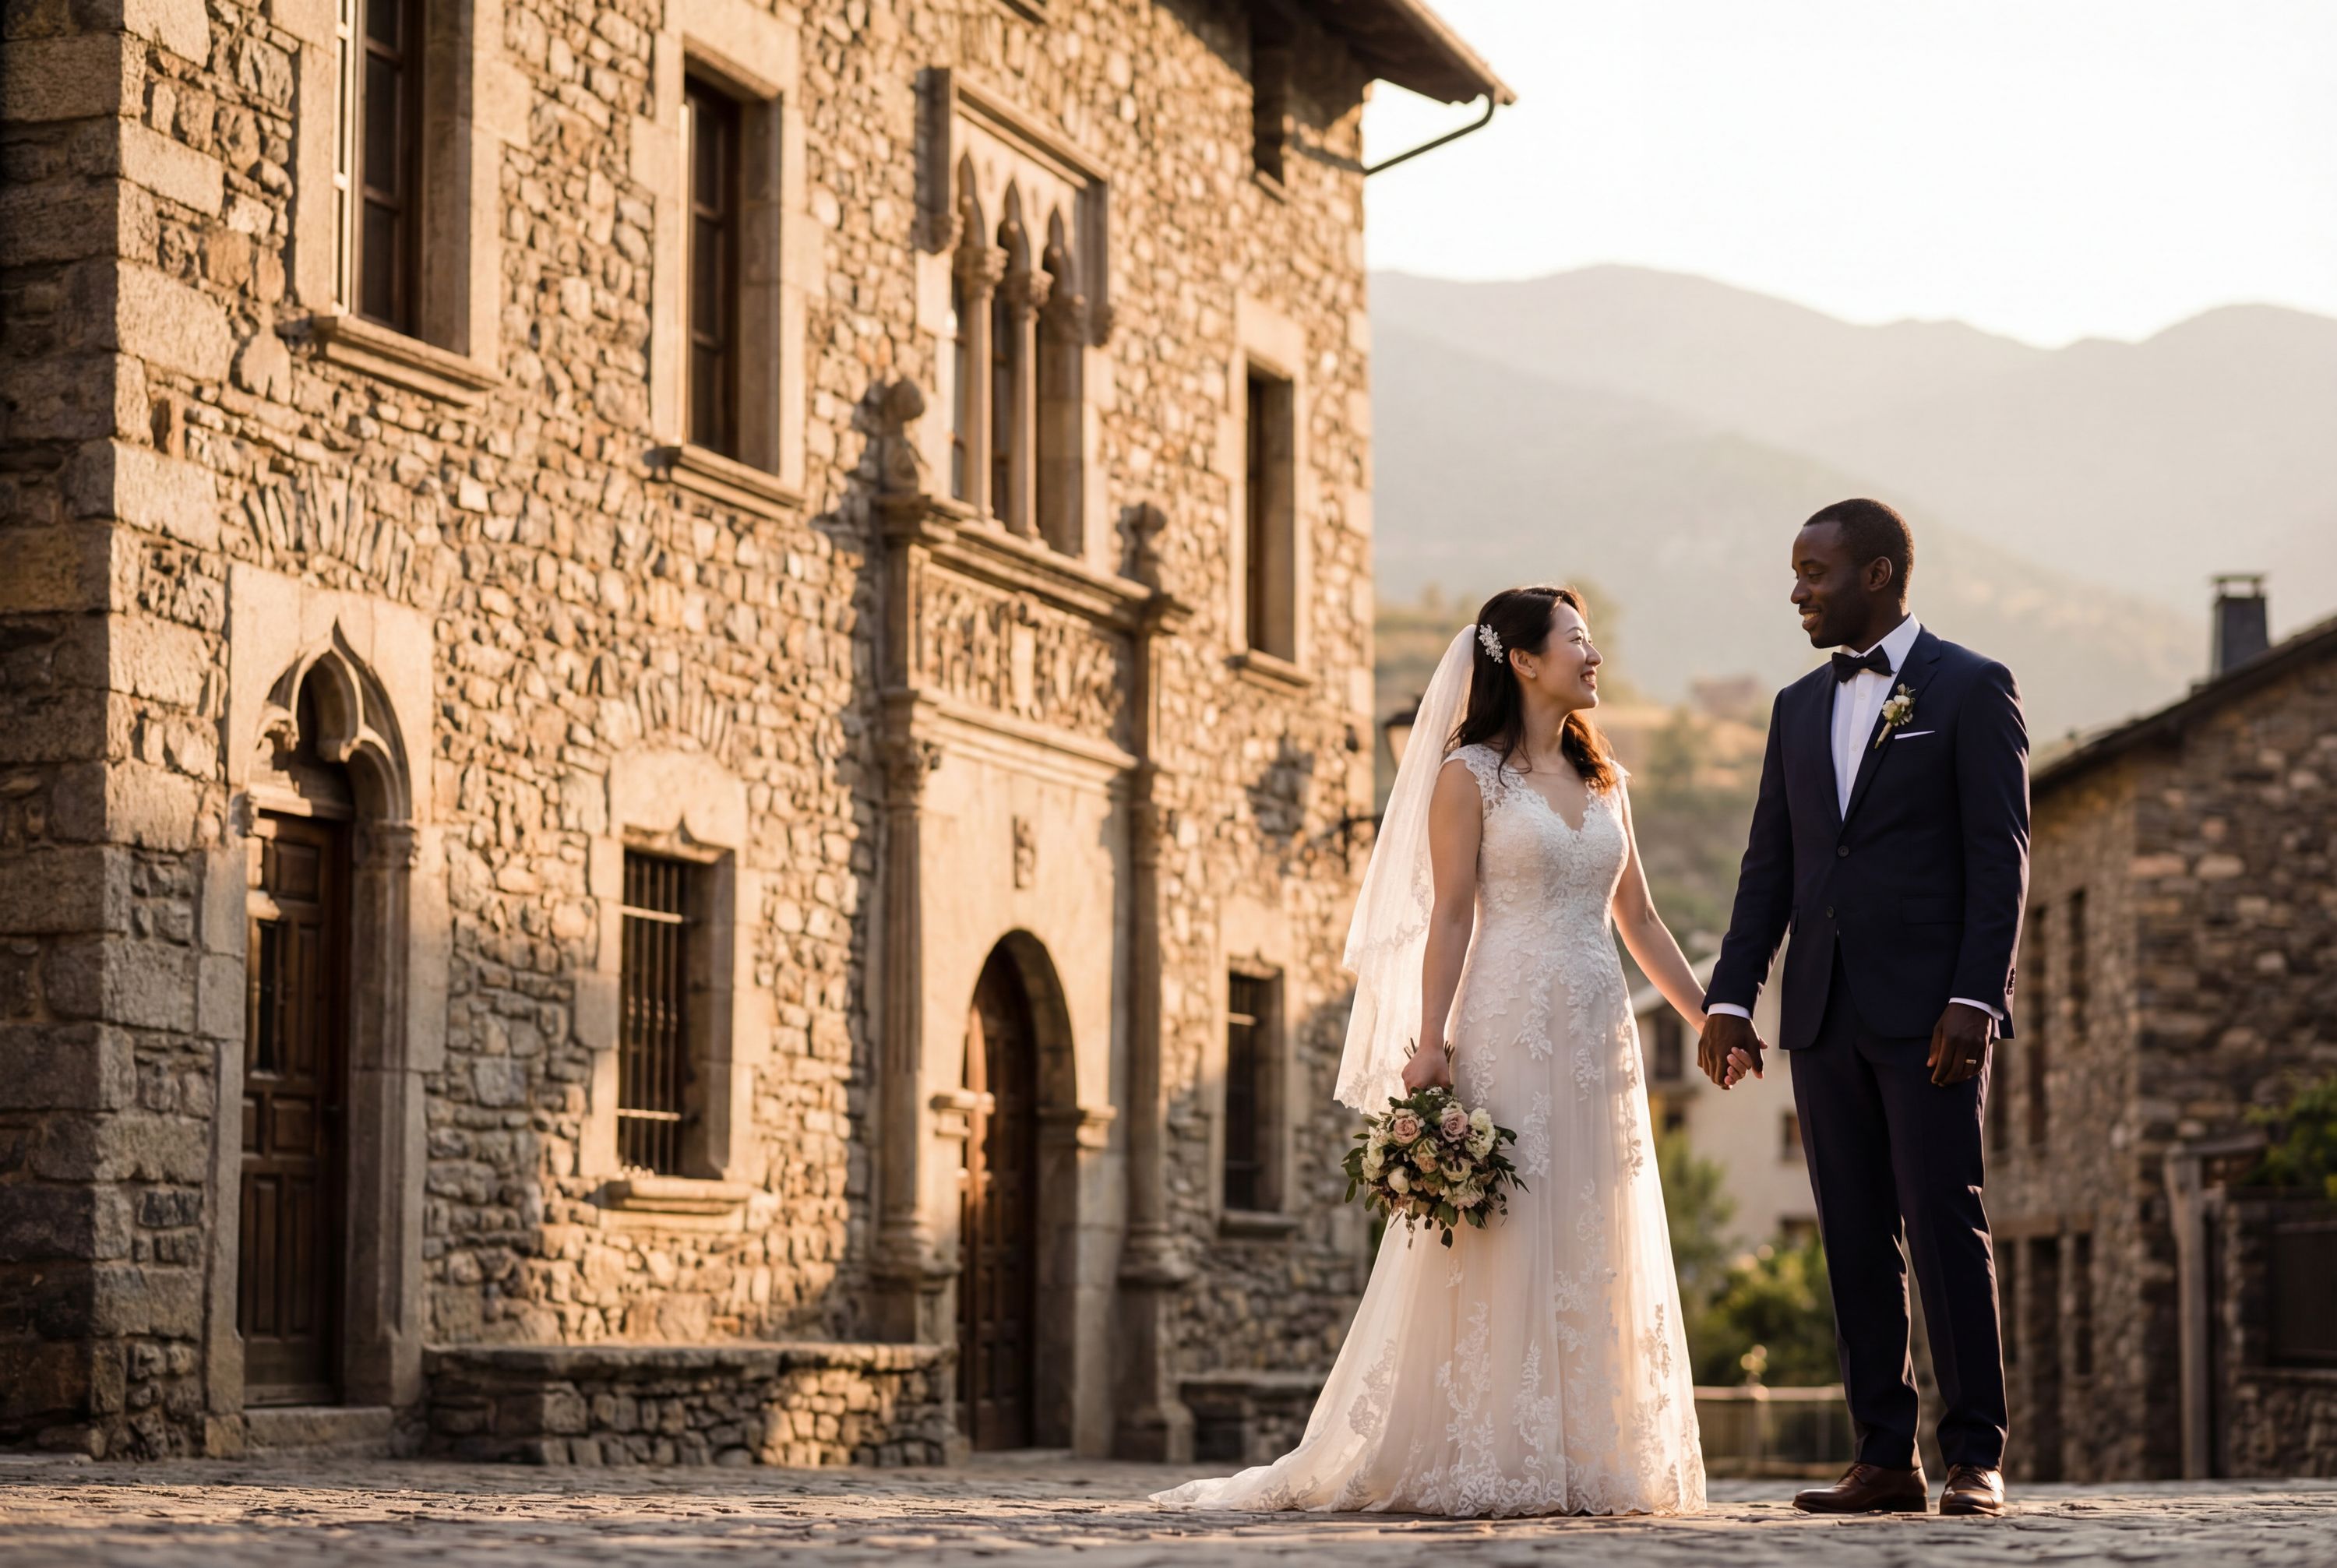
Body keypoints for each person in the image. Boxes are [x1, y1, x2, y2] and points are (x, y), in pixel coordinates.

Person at [1153, 585, 1708, 1517]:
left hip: (1599, 1030)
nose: (1595, 655)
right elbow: (1450, 914)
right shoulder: (1468, 777)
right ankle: (1484, 1447)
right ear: (1525, 661)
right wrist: (1430, 1042)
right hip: (1506, 1019)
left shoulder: (1609, 780)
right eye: (1579, 640)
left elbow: (1640, 918)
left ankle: (1593, 1454)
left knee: (1592, 1225)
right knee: (1506, 1231)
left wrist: (1710, 1019)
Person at [1700, 499, 2027, 1517]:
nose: (1797, 589)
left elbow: (1999, 859)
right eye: (1796, 572)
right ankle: (1885, 1458)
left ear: (1878, 574)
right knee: (1850, 1239)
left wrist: (1977, 994)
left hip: (1932, 1014)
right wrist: (1729, 995)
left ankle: (1975, 1455)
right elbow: (1772, 865)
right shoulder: (1797, 706)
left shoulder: (1971, 689)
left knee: (1942, 1226)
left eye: (1816, 572)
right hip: (1824, 1013)